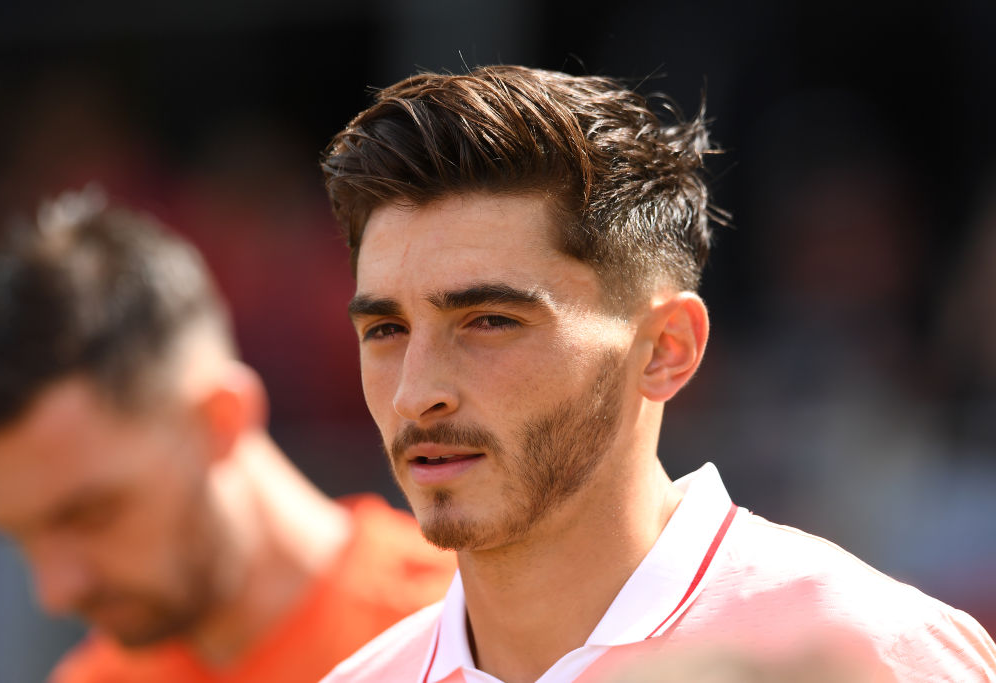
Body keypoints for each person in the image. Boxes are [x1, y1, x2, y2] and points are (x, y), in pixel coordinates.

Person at [318, 65, 996, 682]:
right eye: (385, 329)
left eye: (489, 321)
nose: (415, 392)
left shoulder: (877, 656)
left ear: (666, 347)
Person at [0, 189, 455, 683]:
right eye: (21, 537)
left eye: (92, 514)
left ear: (221, 420)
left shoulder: (467, 634)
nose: (54, 590)